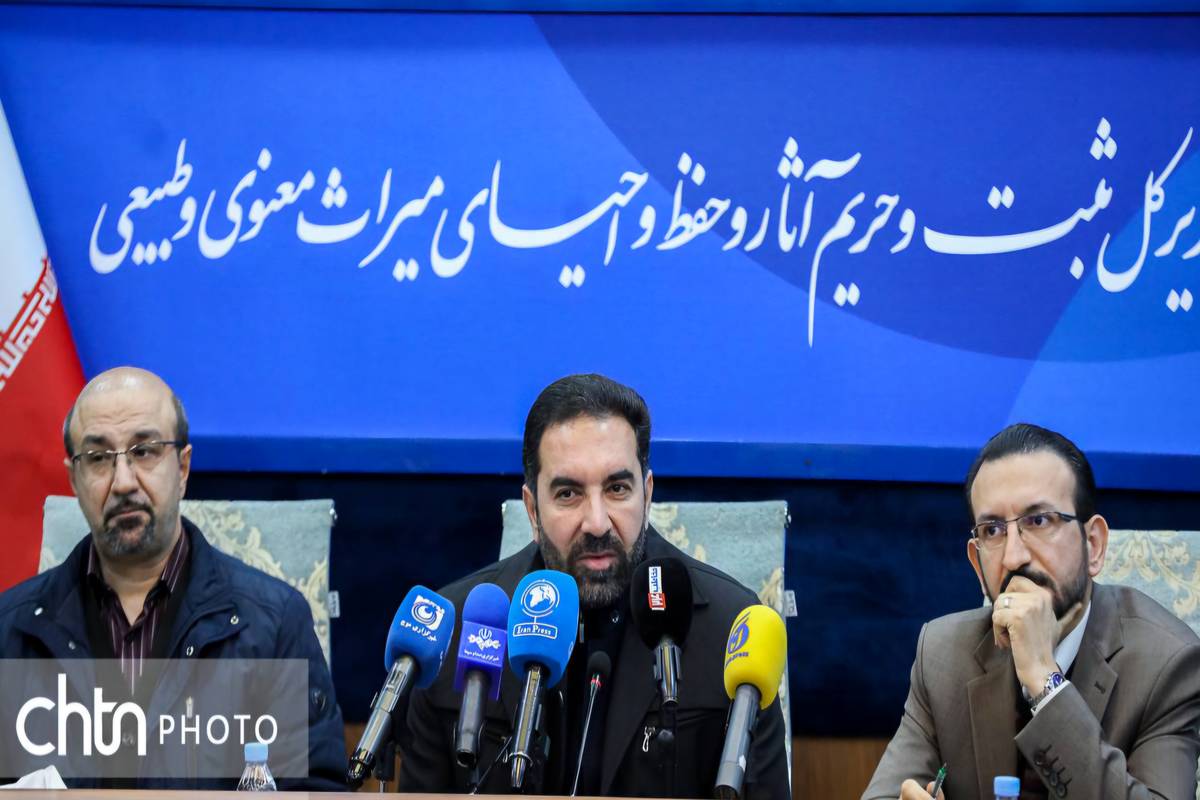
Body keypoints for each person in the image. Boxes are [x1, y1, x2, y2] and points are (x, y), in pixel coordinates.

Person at [398, 373, 790, 798]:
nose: (598, 523)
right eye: (569, 494)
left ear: (647, 494)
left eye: (617, 488)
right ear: (533, 510)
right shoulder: (457, 630)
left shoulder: (732, 629)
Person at [0, 367, 346, 789]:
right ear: (74, 479)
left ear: (182, 468)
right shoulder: (12, 629)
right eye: (98, 458)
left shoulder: (273, 624)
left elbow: (317, 792)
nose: (123, 482)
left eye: (145, 451)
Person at [863, 423, 1200, 800]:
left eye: (1038, 521)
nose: (1014, 557)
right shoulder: (943, 655)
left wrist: (1045, 682)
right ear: (977, 565)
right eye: (993, 530)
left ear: (1093, 545)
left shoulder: (1166, 664)